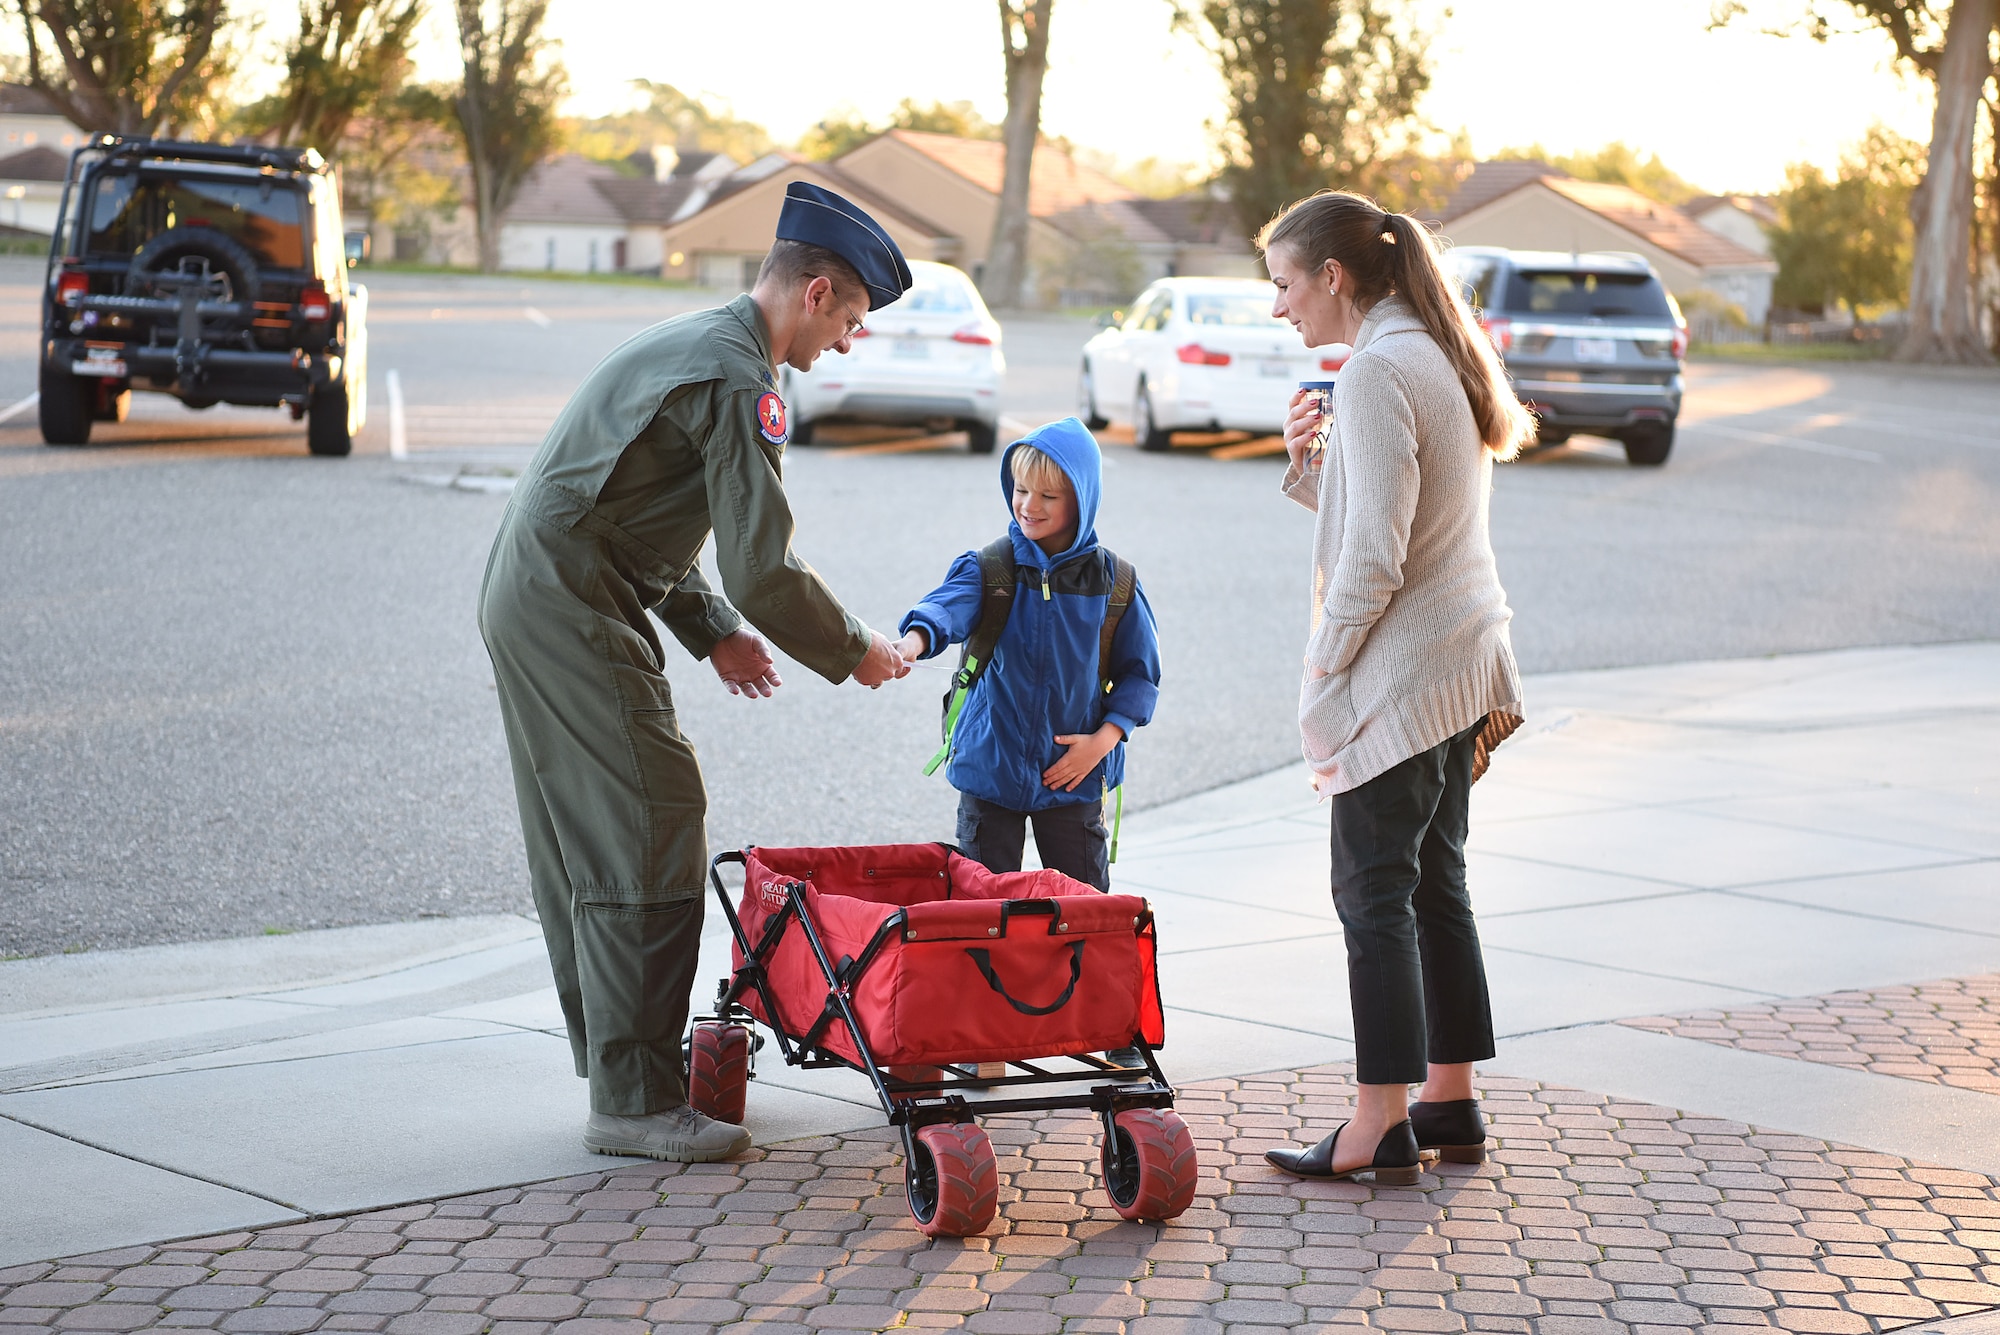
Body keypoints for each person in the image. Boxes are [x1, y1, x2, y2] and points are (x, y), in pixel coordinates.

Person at [478, 182, 914, 1164]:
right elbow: (763, 567)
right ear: (812, 292)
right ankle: (632, 1102)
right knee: (649, 815)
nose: (845, 341)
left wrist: (707, 626)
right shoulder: (737, 380)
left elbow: (632, 509)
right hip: (568, 599)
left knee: (604, 829)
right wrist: (857, 651)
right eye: (848, 317)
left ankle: (625, 1074)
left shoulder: (705, 343)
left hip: (550, 585)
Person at [1256, 190, 1531, 1184]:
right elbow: (1395, 520)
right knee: (1431, 882)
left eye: (1283, 283)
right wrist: (1307, 463)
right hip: (1460, 661)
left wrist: (1323, 665)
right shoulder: (1424, 350)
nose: (1277, 306)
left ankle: (1377, 1121)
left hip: (1409, 672)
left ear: (1331, 277)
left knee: (1369, 891)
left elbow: (1371, 558)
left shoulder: (1376, 370)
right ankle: (1445, 1097)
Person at [895, 415, 1160, 907]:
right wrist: (911, 643)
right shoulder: (992, 567)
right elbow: (943, 608)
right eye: (1020, 490)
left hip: (1075, 772)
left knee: (1082, 912)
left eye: (1048, 497)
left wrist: (1102, 743)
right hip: (989, 768)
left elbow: (1140, 677)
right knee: (979, 914)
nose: (1028, 506)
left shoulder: (1114, 583)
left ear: (1081, 500)